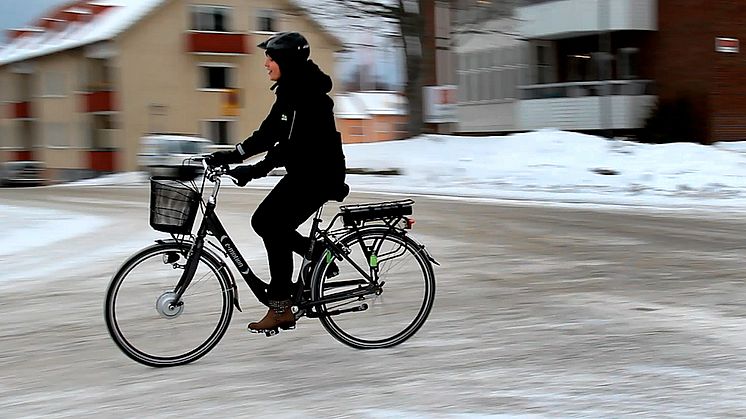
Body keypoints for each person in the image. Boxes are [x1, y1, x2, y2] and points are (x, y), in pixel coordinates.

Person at [206, 32, 347, 332]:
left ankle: (281, 306)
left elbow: (290, 146)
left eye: (270, 58)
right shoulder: (291, 91)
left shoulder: (306, 95)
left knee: (271, 224)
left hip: (318, 176)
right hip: (306, 173)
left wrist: (253, 170)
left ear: (286, 60)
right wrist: (232, 156)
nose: (266, 63)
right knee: (265, 222)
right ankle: (317, 254)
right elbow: (269, 133)